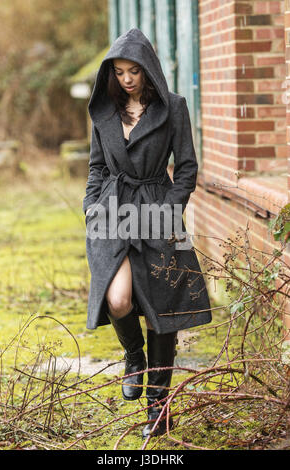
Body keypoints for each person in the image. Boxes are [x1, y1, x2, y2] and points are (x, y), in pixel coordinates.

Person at [83, 28, 212, 439]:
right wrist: (91, 208)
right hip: (113, 212)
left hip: (159, 210)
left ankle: (159, 407)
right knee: (118, 298)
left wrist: (170, 211)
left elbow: (187, 168)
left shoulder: (174, 108)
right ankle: (134, 358)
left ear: (148, 70)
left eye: (134, 70)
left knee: (163, 311)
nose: (126, 79)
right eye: (119, 71)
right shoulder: (104, 113)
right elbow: (97, 168)